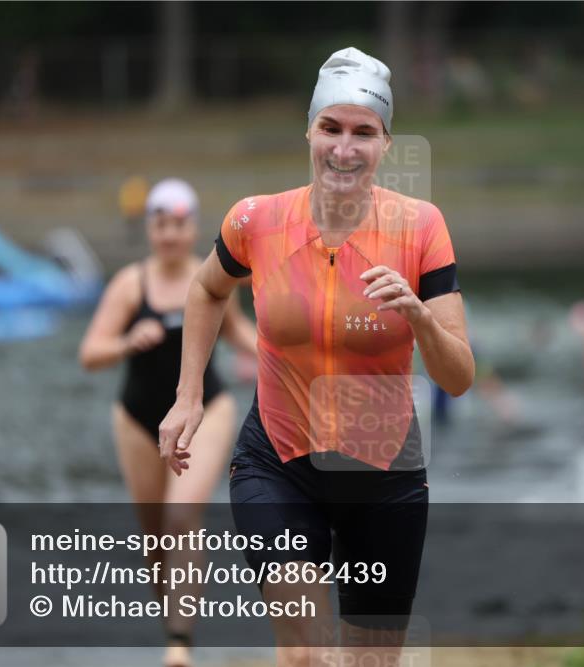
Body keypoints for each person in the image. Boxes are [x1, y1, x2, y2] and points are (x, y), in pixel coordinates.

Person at [158, 47, 474, 666]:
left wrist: (415, 312)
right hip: (278, 460)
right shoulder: (255, 220)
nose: (344, 148)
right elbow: (206, 289)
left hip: (384, 472)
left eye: (363, 132)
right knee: (306, 655)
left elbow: (457, 376)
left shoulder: (421, 229)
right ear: (309, 130)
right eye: (331, 127)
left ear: (386, 144)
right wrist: (188, 394)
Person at [79, 178, 258, 667]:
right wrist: (125, 341)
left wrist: (292, 359)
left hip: (207, 409)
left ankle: (180, 643)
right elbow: (90, 354)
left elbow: (240, 332)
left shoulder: (216, 275)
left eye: (179, 225)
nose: (171, 235)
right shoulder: (129, 284)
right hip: (137, 417)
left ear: (193, 227)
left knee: (181, 518)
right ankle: (174, 629)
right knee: (155, 535)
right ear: (150, 229)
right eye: (161, 224)